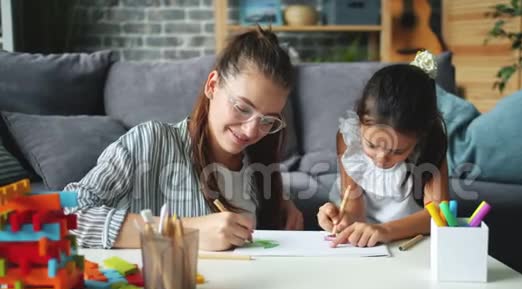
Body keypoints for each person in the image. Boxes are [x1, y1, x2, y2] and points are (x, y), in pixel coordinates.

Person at [65, 27, 304, 250]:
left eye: (267, 121)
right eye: (242, 108)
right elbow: (67, 215)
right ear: (213, 85)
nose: (252, 131)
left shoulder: (258, 166)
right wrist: (185, 231)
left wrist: (281, 204)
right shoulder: (150, 140)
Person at [316, 51, 449, 248]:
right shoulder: (348, 140)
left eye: (397, 152)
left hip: (411, 240)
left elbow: (440, 214)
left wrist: (385, 230)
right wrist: (341, 217)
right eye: (371, 145)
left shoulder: (431, 146)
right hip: (364, 242)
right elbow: (353, 205)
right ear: (360, 122)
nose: (380, 159)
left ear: (419, 138)